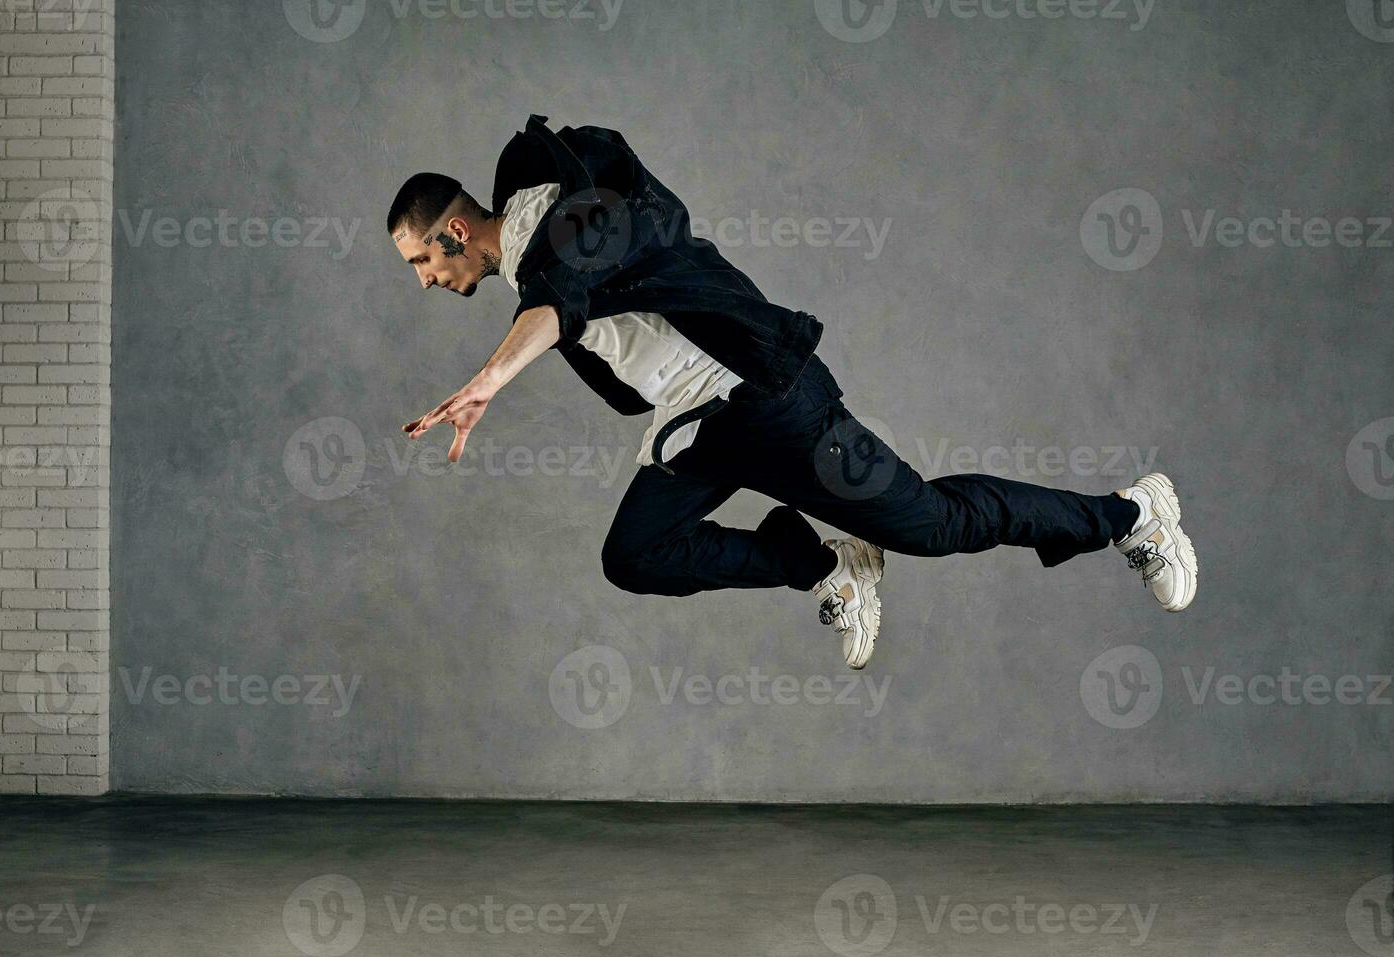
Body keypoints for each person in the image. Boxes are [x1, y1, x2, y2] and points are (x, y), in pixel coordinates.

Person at [390, 114, 1198, 670]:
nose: (426, 282)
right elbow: (565, 303)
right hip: (700, 428)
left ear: (455, 230)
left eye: (423, 263)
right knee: (634, 555)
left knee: (934, 525)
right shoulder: (540, 250)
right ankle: (828, 568)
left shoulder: (568, 220)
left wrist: (489, 380)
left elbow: (560, 299)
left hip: (767, 403)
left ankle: (1129, 516)